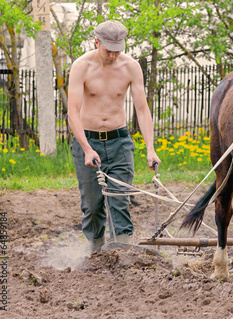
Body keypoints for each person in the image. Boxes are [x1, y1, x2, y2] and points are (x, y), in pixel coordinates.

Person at [68, 20, 161, 252]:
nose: (113, 56)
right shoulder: (82, 67)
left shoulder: (130, 67)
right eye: (108, 50)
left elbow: (142, 109)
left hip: (119, 141)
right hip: (87, 142)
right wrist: (87, 148)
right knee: (92, 205)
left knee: (120, 198)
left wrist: (150, 149)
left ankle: (122, 251)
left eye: (117, 50)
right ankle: (96, 250)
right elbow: (72, 113)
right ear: (96, 42)